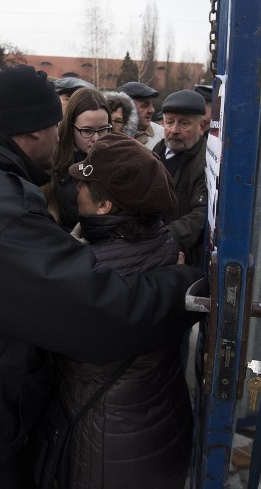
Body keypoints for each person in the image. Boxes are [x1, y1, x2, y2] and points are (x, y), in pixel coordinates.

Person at [0, 65, 200, 489]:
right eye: (56, 126)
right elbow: (96, 311)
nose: (61, 138)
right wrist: (186, 287)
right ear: (29, 133)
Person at [59, 132, 193, 489]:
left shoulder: (91, 275)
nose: (76, 191)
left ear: (105, 207)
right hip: (158, 425)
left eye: (84, 185)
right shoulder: (162, 243)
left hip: (108, 445)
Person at [152, 89, 209, 267]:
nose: (174, 130)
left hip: (181, 256)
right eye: (169, 122)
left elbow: (201, 214)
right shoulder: (156, 151)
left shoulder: (206, 163)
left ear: (201, 126)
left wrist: (161, 239)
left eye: (184, 124)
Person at [46, 88, 113, 230]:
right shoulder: (50, 166)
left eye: (103, 129)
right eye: (87, 130)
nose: (96, 139)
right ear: (70, 128)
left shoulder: (119, 162)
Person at [117, 81, 163, 149]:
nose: (152, 110)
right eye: (145, 105)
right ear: (128, 108)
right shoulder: (109, 132)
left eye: (152, 104)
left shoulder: (162, 136)